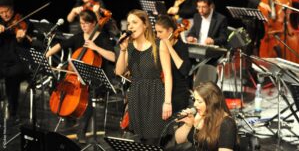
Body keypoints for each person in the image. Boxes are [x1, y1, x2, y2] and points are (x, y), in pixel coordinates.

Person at [46, 9, 116, 143]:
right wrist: (46, 55)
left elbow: (113, 57)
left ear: (95, 23)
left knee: (87, 100)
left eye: (86, 23)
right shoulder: (79, 36)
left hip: (96, 79)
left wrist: (95, 48)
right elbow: (61, 44)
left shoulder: (102, 38)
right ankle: (69, 118)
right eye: (81, 23)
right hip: (75, 78)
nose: (83, 26)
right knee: (56, 88)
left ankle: (81, 132)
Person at [115, 9, 172, 145]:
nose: (131, 27)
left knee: (152, 141)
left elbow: (168, 75)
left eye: (134, 22)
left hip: (155, 95)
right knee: (138, 140)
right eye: (129, 24)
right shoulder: (129, 47)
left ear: (145, 24)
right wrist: (122, 51)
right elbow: (119, 71)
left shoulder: (159, 45)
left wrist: (167, 102)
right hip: (136, 95)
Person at [175, 81, 238, 151]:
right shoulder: (198, 115)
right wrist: (188, 125)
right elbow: (179, 140)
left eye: (199, 101)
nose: (195, 104)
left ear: (212, 102)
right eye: (194, 100)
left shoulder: (226, 123)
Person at [0, 0, 31, 121]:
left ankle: (13, 112)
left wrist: (20, 38)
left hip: (16, 62)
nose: (4, 15)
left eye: (7, 11)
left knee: (13, 78)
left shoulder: (21, 20)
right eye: (1, 13)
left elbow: (27, 45)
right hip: (1, 60)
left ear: (12, 9)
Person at [155, 14, 192, 113]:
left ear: (170, 31)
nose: (157, 35)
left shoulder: (182, 46)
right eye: (156, 32)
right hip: (163, 90)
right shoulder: (159, 45)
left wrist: (169, 47)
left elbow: (184, 71)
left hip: (178, 93)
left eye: (160, 32)